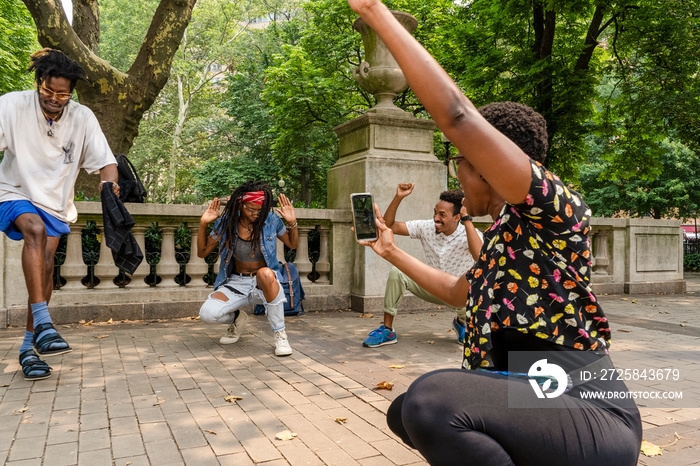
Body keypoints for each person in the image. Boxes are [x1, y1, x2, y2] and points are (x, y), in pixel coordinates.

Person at [347, 0, 642, 464]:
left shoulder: (553, 210)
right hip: (532, 399)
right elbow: (458, 292)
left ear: (487, 164)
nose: (458, 173)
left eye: (462, 161)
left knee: (432, 401)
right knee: (405, 411)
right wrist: (389, 252)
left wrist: (375, 14)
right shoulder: (506, 234)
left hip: (590, 410)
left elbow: (458, 117)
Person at [0, 48, 119, 381]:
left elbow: (107, 162)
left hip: (56, 203)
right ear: (39, 83)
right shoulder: (10, 106)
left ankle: (28, 348)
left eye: (63, 94)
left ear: (72, 92)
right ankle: (45, 323)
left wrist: (109, 186)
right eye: (48, 91)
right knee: (34, 230)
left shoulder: (82, 117)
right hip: (13, 191)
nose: (54, 98)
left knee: (47, 268)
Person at [363, 184, 483, 347]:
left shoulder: (469, 234)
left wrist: (467, 219)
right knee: (397, 272)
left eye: (442, 214)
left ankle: (462, 324)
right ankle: (387, 330)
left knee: (474, 287)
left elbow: (480, 258)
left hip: (458, 295)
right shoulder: (427, 227)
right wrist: (398, 197)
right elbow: (390, 226)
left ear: (457, 217)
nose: (436, 218)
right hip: (432, 287)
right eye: (435, 212)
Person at [197, 181, 298, 356]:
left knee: (265, 273)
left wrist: (292, 222)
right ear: (240, 205)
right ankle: (238, 318)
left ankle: (280, 335)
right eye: (250, 209)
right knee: (207, 314)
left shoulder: (271, 220)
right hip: (235, 282)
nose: (255, 214)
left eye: (259, 210)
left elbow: (292, 244)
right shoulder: (226, 222)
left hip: (263, 283)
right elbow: (202, 252)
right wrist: (203, 224)